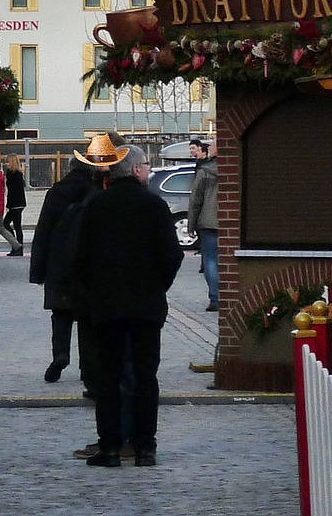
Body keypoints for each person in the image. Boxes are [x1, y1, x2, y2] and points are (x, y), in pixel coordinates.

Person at [73, 144, 183, 467]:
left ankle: (109, 448)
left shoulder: (96, 206)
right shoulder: (155, 206)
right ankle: (145, 447)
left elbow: (80, 258)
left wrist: (96, 292)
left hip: (107, 307)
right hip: (147, 307)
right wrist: (157, 285)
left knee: (108, 375)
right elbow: (172, 256)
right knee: (146, 375)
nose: (149, 170)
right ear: (135, 170)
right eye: (147, 165)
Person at [29, 135, 117, 387]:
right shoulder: (97, 193)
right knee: (88, 317)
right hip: (88, 264)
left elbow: (43, 231)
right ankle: (86, 366)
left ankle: (61, 354)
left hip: (59, 263)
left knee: (61, 313)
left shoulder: (57, 192)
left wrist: (38, 271)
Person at [188, 137, 220, 312]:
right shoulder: (235, 170)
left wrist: (191, 225)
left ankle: (215, 298)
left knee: (211, 260)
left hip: (207, 222)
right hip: (230, 224)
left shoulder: (204, 171)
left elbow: (195, 200)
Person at [2, 155, 28, 254]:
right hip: (20, 202)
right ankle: (18, 247)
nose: (7, 164)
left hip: (15, 203)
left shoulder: (14, 174)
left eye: (8, 162)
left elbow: (13, 191)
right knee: (17, 225)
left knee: (6, 223)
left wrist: (8, 205)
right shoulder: (18, 173)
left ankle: (16, 245)